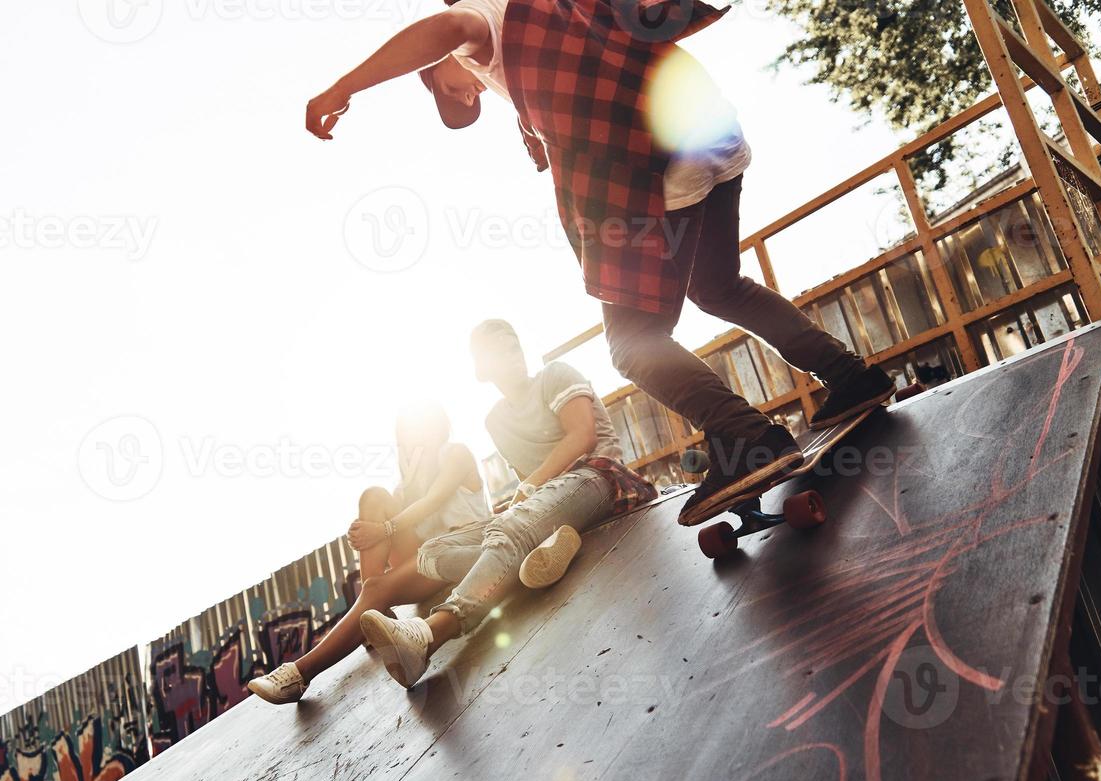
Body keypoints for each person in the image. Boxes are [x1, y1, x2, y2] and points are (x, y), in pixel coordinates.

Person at [305, 0, 897, 526]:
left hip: (660, 160)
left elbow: (445, 29)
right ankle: (850, 375)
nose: (473, 85)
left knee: (633, 342)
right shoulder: (556, 22)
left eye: (450, 79)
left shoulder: (480, 17)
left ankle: (748, 439)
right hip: (710, 127)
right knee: (718, 286)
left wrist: (343, 87)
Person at [247, 319, 656, 704]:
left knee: (509, 527)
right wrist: (522, 497)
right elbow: (527, 476)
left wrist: (526, 493)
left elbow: (582, 437)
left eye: (514, 345)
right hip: (544, 505)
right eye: (498, 350)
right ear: (481, 369)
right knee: (434, 550)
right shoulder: (496, 420)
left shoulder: (555, 375)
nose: (511, 353)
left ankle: (427, 636)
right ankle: (535, 559)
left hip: (598, 478)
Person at [348, 402, 489, 585]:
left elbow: (433, 500)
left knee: (379, 579)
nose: (411, 439)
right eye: (405, 434)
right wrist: (361, 533)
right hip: (425, 561)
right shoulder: (405, 486)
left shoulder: (455, 453)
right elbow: (386, 526)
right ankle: (372, 597)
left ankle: (372, 595)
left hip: (464, 550)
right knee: (373, 497)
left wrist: (384, 529)